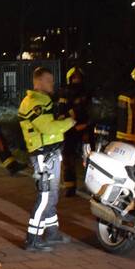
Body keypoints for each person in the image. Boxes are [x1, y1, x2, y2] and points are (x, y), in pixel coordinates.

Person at [17, 67, 76, 251]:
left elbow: (49, 125)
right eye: (49, 80)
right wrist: (69, 122)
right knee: (44, 197)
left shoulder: (43, 101)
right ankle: (32, 240)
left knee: (52, 195)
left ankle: (52, 234)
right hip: (43, 155)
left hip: (50, 153)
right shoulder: (33, 103)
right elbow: (47, 128)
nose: (52, 83)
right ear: (39, 82)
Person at [58, 66, 92, 196]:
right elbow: (62, 112)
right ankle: (70, 186)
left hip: (85, 128)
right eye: (74, 77)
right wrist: (72, 120)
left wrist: (87, 124)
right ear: (70, 78)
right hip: (71, 129)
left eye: (79, 77)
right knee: (68, 158)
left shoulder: (87, 92)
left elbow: (90, 109)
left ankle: (90, 185)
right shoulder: (65, 92)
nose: (77, 79)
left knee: (88, 157)